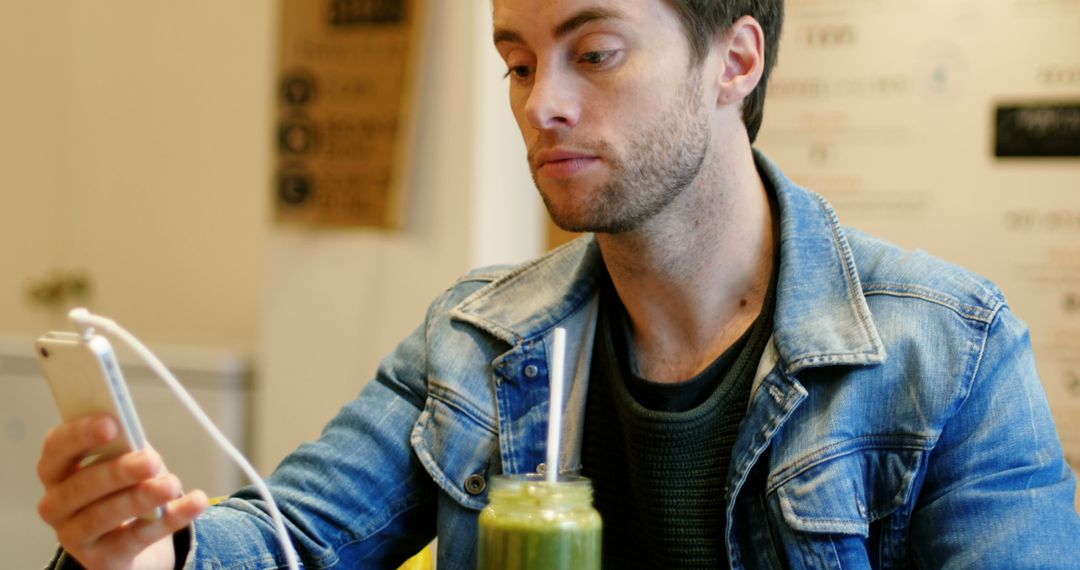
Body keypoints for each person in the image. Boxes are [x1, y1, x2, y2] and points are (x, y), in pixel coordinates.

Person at [37, 0, 1080, 568]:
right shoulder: (474, 340)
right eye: (520, 62)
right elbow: (288, 541)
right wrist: (145, 551)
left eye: (597, 51)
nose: (545, 105)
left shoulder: (955, 353)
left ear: (736, 61)